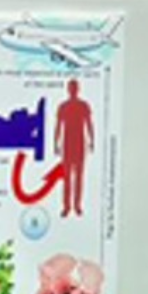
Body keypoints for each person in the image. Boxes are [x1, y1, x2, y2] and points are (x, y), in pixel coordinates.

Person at [54, 78, 95, 217]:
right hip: (67, 144)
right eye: (71, 88)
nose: (73, 90)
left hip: (79, 144)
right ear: (69, 90)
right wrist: (56, 142)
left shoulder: (83, 105)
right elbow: (58, 126)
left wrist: (92, 140)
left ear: (77, 89)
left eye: (74, 88)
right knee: (67, 178)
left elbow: (89, 123)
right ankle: (66, 206)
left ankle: (77, 205)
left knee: (78, 177)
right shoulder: (63, 106)